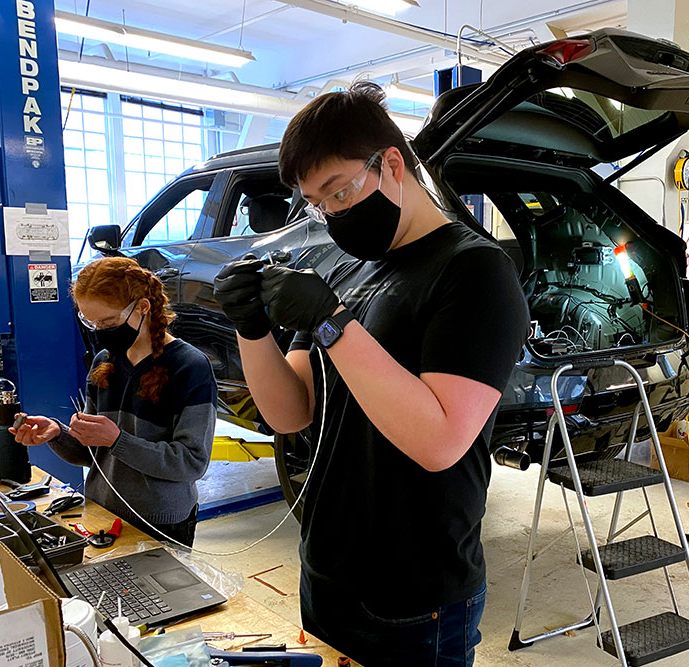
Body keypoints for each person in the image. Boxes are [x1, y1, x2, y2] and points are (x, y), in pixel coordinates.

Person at [214, 82, 529, 666]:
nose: (331, 214)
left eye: (339, 191)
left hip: (413, 595)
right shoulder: (344, 268)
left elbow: (440, 441)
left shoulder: (475, 272)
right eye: (317, 203)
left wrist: (333, 325)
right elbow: (291, 412)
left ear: (390, 164)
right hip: (325, 569)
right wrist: (250, 327)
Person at [12, 257, 217, 547]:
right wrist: (58, 434)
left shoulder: (189, 366)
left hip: (160, 521)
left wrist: (117, 439)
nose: (100, 330)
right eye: (91, 322)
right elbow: (94, 453)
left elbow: (190, 463)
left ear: (143, 307)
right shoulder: (104, 361)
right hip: (102, 513)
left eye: (109, 322)